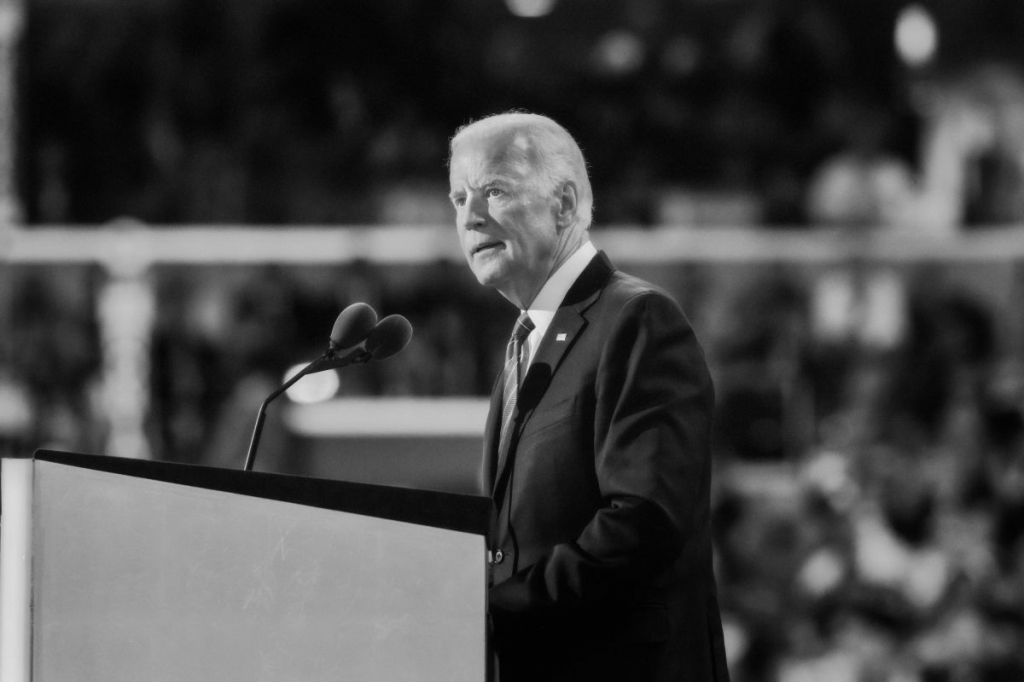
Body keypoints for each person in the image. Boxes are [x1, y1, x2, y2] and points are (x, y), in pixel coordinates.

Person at [447, 111, 730, 681]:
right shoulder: (526, 343)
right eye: (457, 198)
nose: (471, 217)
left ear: (565, 205)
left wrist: (498, 609)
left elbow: (644, 521)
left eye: (495, 191)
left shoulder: (637, 319)